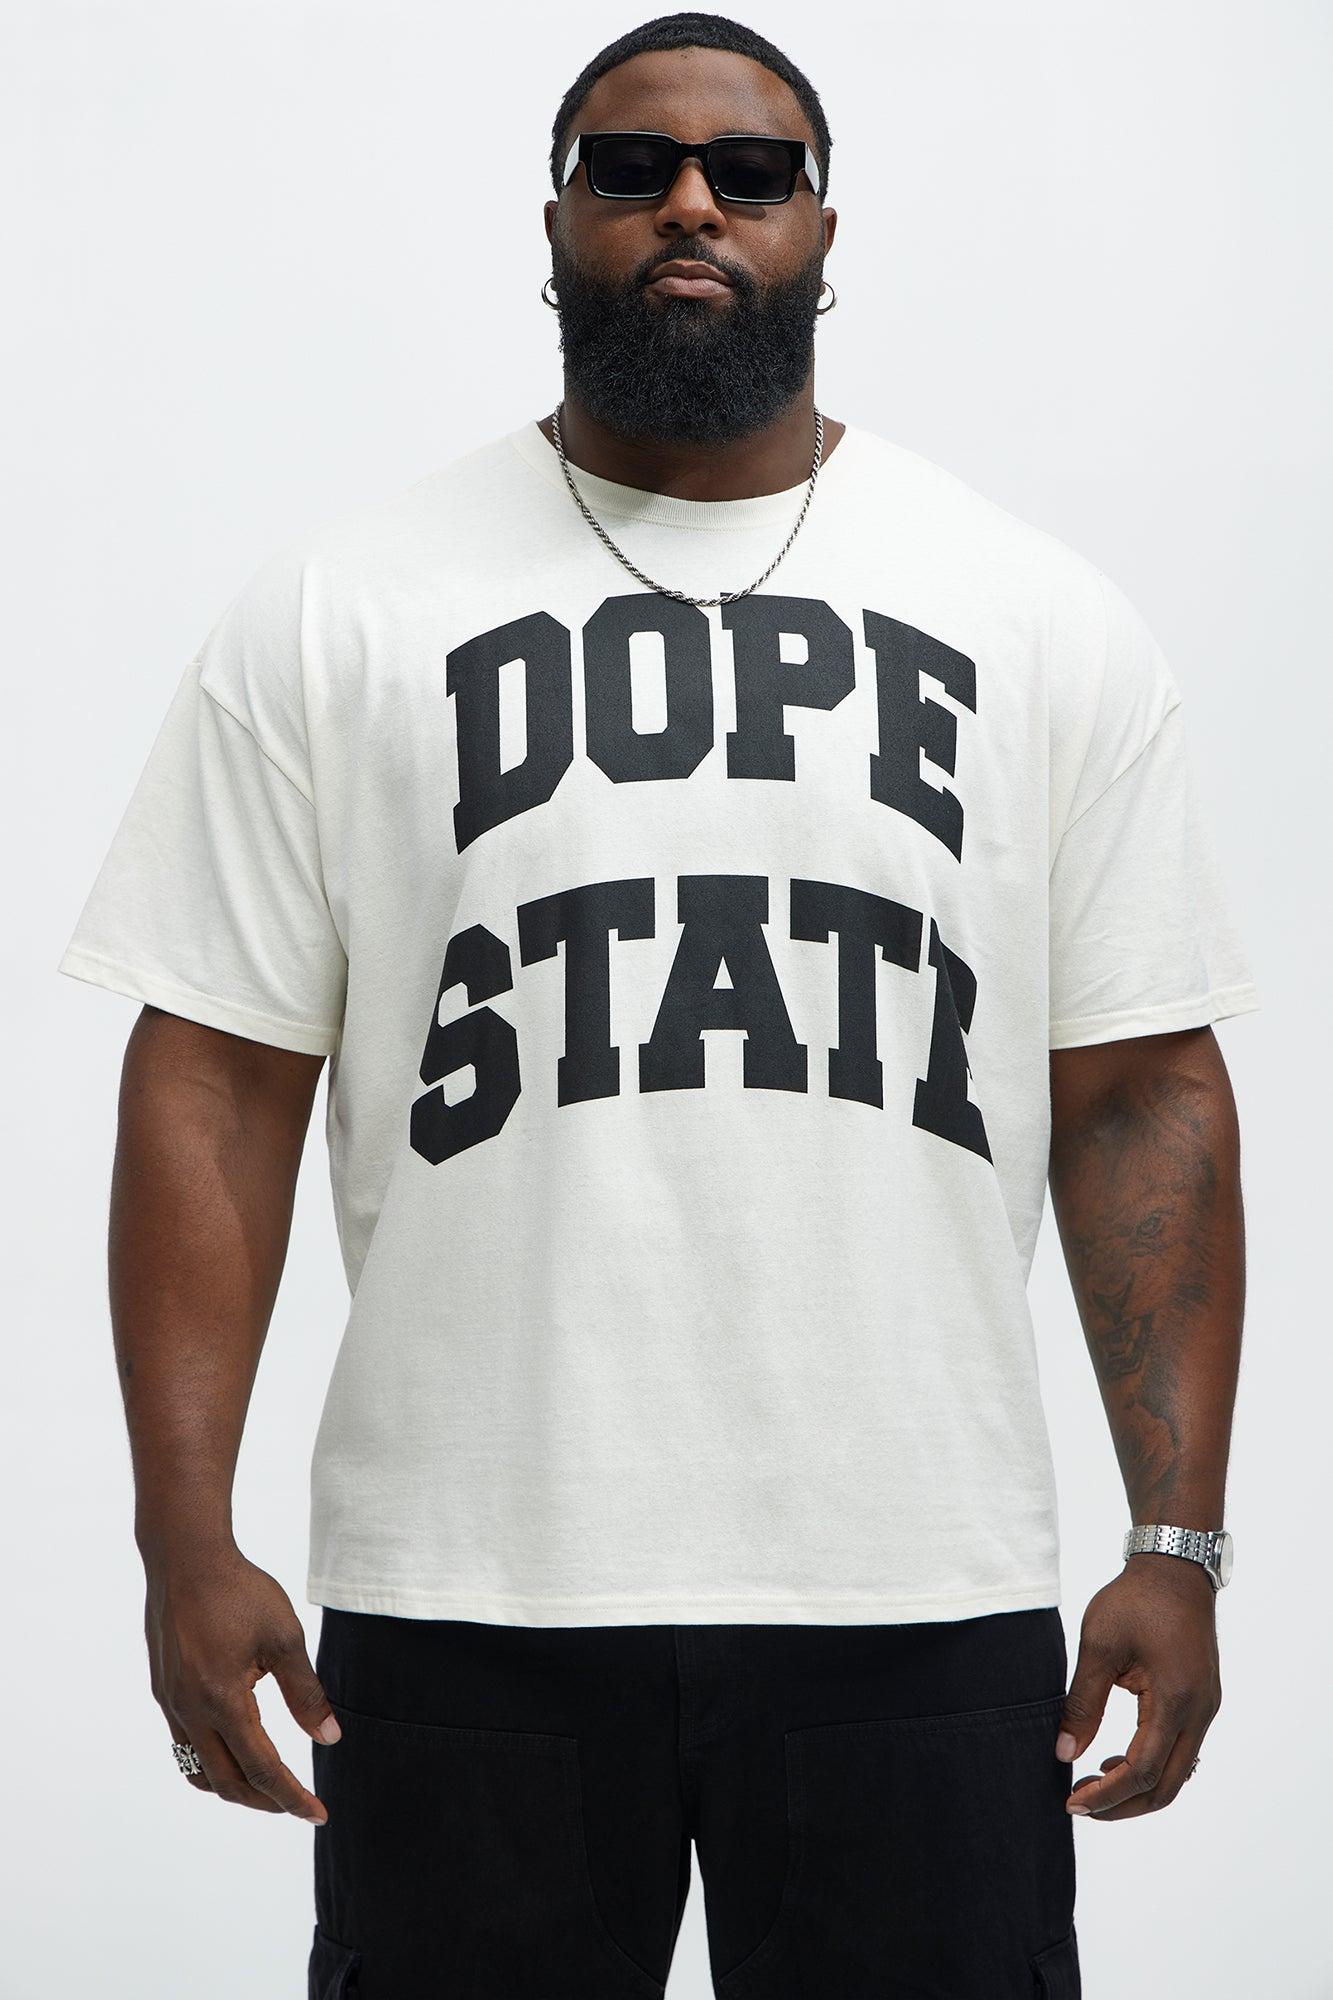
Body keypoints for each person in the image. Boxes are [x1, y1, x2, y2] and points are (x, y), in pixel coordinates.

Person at [56, 12, 1259, 1998]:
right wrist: (183, 1537)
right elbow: (212, 1084)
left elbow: (1138, 1089)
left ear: (820, 229)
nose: (691, 202)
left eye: (749, 171)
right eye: (632, 168)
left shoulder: (1034, 617)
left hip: (914, 1583)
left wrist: (1178, 1540)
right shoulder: (345, 609)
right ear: (556, 217)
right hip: (467, 1589)